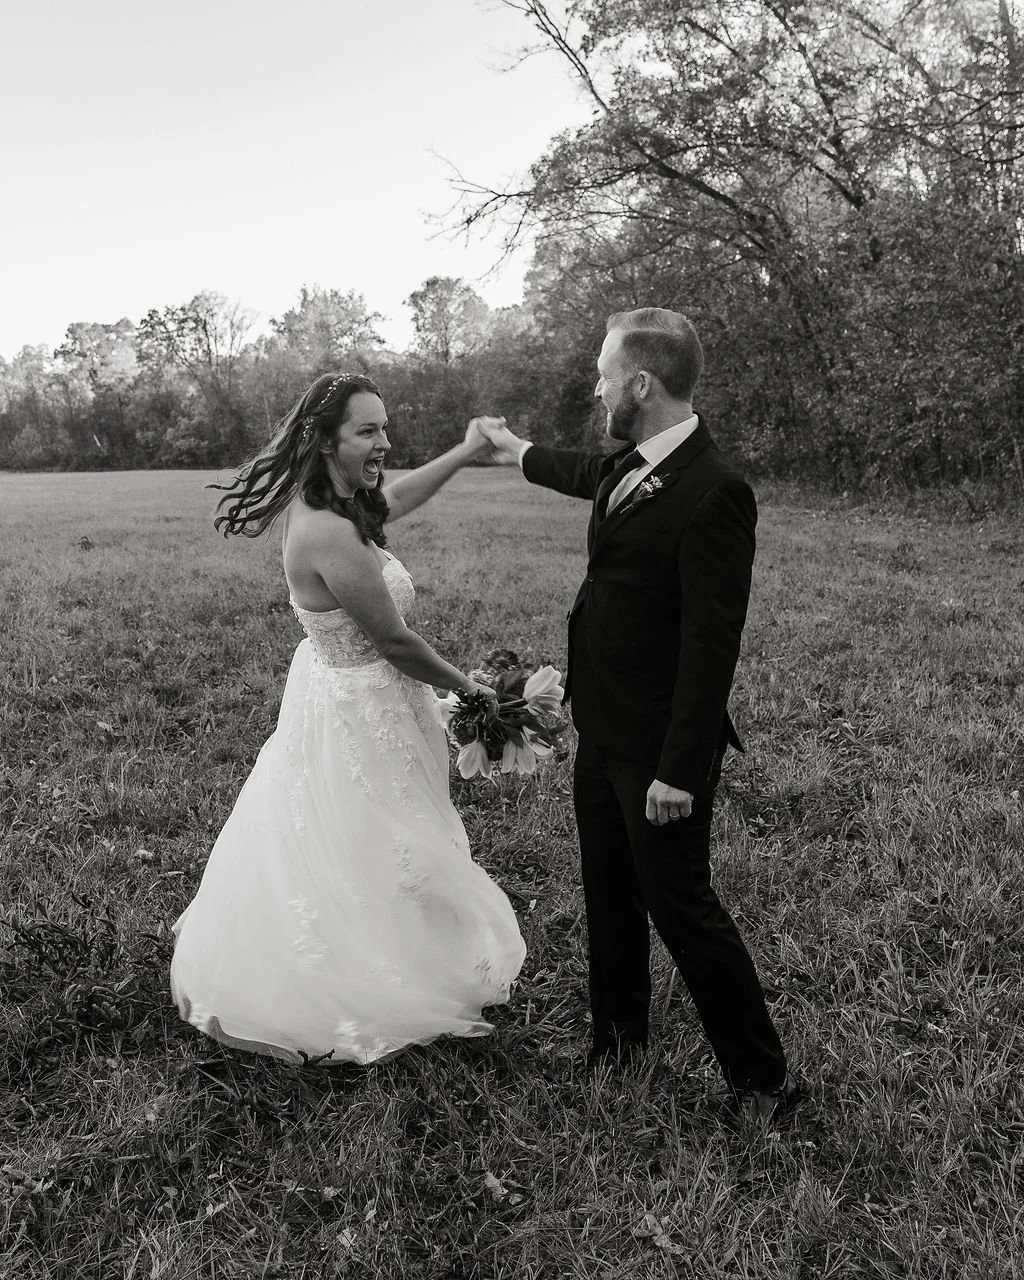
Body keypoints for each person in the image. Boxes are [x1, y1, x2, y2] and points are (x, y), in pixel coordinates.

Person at [475, 308, 796, 1121]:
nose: (597, 387)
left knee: (681, 907)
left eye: (604, 375)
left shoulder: (715, 490)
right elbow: (588, 473)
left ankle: (762, 1080)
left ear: (641, 384)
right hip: (603, 727)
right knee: (609, 894)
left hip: (660, 747)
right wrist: (512, 448)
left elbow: (711, 646)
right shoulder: (634, 463)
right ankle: (617, 1046)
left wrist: (680, 770)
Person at [170, 372, 526, 1065]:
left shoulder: (342, 503)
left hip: (362, 692)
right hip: (359, 704)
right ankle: (363, 976)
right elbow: (394, 641)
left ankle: (404, 944)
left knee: (382, 831)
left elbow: (397, 498)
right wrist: (475, 691)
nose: (383, 442)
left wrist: (463, 452)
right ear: (325, 440)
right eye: (368, 430)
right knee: (376, 832)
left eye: (384, 427)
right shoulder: (326, 530)